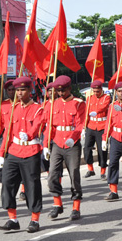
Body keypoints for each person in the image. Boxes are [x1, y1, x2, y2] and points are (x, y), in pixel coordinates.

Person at [0, 76, 43, 233]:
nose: (19, 93)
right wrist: (2, 153)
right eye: (17, 90)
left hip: (30, 151)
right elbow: (7, 133)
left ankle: (34, 219)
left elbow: (37, 125)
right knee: (7, 183)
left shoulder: (38, 108)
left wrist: (29, 134)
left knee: (32, 186)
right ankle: (12, 219)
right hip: (14, 151)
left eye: (23, 89)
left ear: (30, 90)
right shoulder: (13, 108)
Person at [43, 75, 86, 221]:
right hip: (57, 142)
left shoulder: (78, 103)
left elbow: (80, 125)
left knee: (74, 174)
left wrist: (73, 138)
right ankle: (57, 204)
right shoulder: (53, 104)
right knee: (52, 175)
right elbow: (50, 126)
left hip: (71, 144)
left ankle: (76, 207)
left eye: (63, 90)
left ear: (69, 88)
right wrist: (45, 145)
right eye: (58, 91)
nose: (60, 93)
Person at [102, 81, 122, 201]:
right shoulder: (112, 105)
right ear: (116, 92)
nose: (121, 94)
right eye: (119, 91)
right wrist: (105, 138)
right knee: (113, 163)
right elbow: (108, 122)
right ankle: (113, 190)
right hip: (116, 136)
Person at [84, 80, 110, 180]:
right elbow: (86, 112)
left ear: (101, 89)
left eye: (97, 91)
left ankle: (103, 170)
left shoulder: (106, 97)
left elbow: (104, 107)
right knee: (87, 147)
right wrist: (84, 127)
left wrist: (96, 111)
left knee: (101, 149)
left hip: (102, 126)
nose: (96, 93)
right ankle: (90, 169)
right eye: (94, 91)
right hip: (91, 125)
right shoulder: (89, 99)